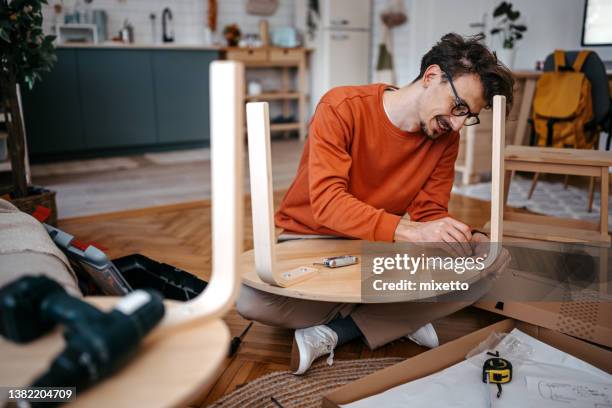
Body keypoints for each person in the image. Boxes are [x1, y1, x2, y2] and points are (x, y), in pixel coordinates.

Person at [236, 33, 514, 375]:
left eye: (467, 116)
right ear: (431, 77)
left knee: (489, 268)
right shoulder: (341, 106)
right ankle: (397, 316)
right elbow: (327, 203)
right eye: (458, 107)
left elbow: (430, 215)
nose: (457, 124)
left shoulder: (445, 138)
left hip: (377, 246)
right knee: (251, 302)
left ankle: (335, 332)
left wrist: (467, 240)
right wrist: (410, 234)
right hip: (309, 239)